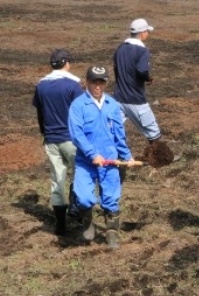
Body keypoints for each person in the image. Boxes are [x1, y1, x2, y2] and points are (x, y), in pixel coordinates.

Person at [68, 66, 135, 249]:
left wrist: (126, 155)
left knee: (111, 199)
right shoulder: (78, 105)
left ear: (105, 83)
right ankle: (87, 220)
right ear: (87, 82)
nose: (97, 86)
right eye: (94, 82)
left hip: (110, 161)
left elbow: (119, 135)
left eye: (101, 82)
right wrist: (92, 154)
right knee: (83, 198)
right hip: (86, 162)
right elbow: (77, 134)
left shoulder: (112, 105)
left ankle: (112, 233)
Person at [113, 18, 172, 179]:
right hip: (135, 99)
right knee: (153, 131)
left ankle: (114, 157)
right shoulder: (142, 51)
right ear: (142, 33)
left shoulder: (120, 49)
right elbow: (141, 70)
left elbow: (117, 70)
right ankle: (161, 158)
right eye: (147, 31)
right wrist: (147, 78)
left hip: (118, 98)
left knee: (113, 129)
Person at [32, 49, 84, 235]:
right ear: (66, 63)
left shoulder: (41, 85)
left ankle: (60, 224)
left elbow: (40, 114)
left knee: (57, 180)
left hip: (51, 139)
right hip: (71, 139)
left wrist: (44, 134)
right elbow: (82, 113)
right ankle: (76, 209)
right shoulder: (73, 85)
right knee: (81, 174)